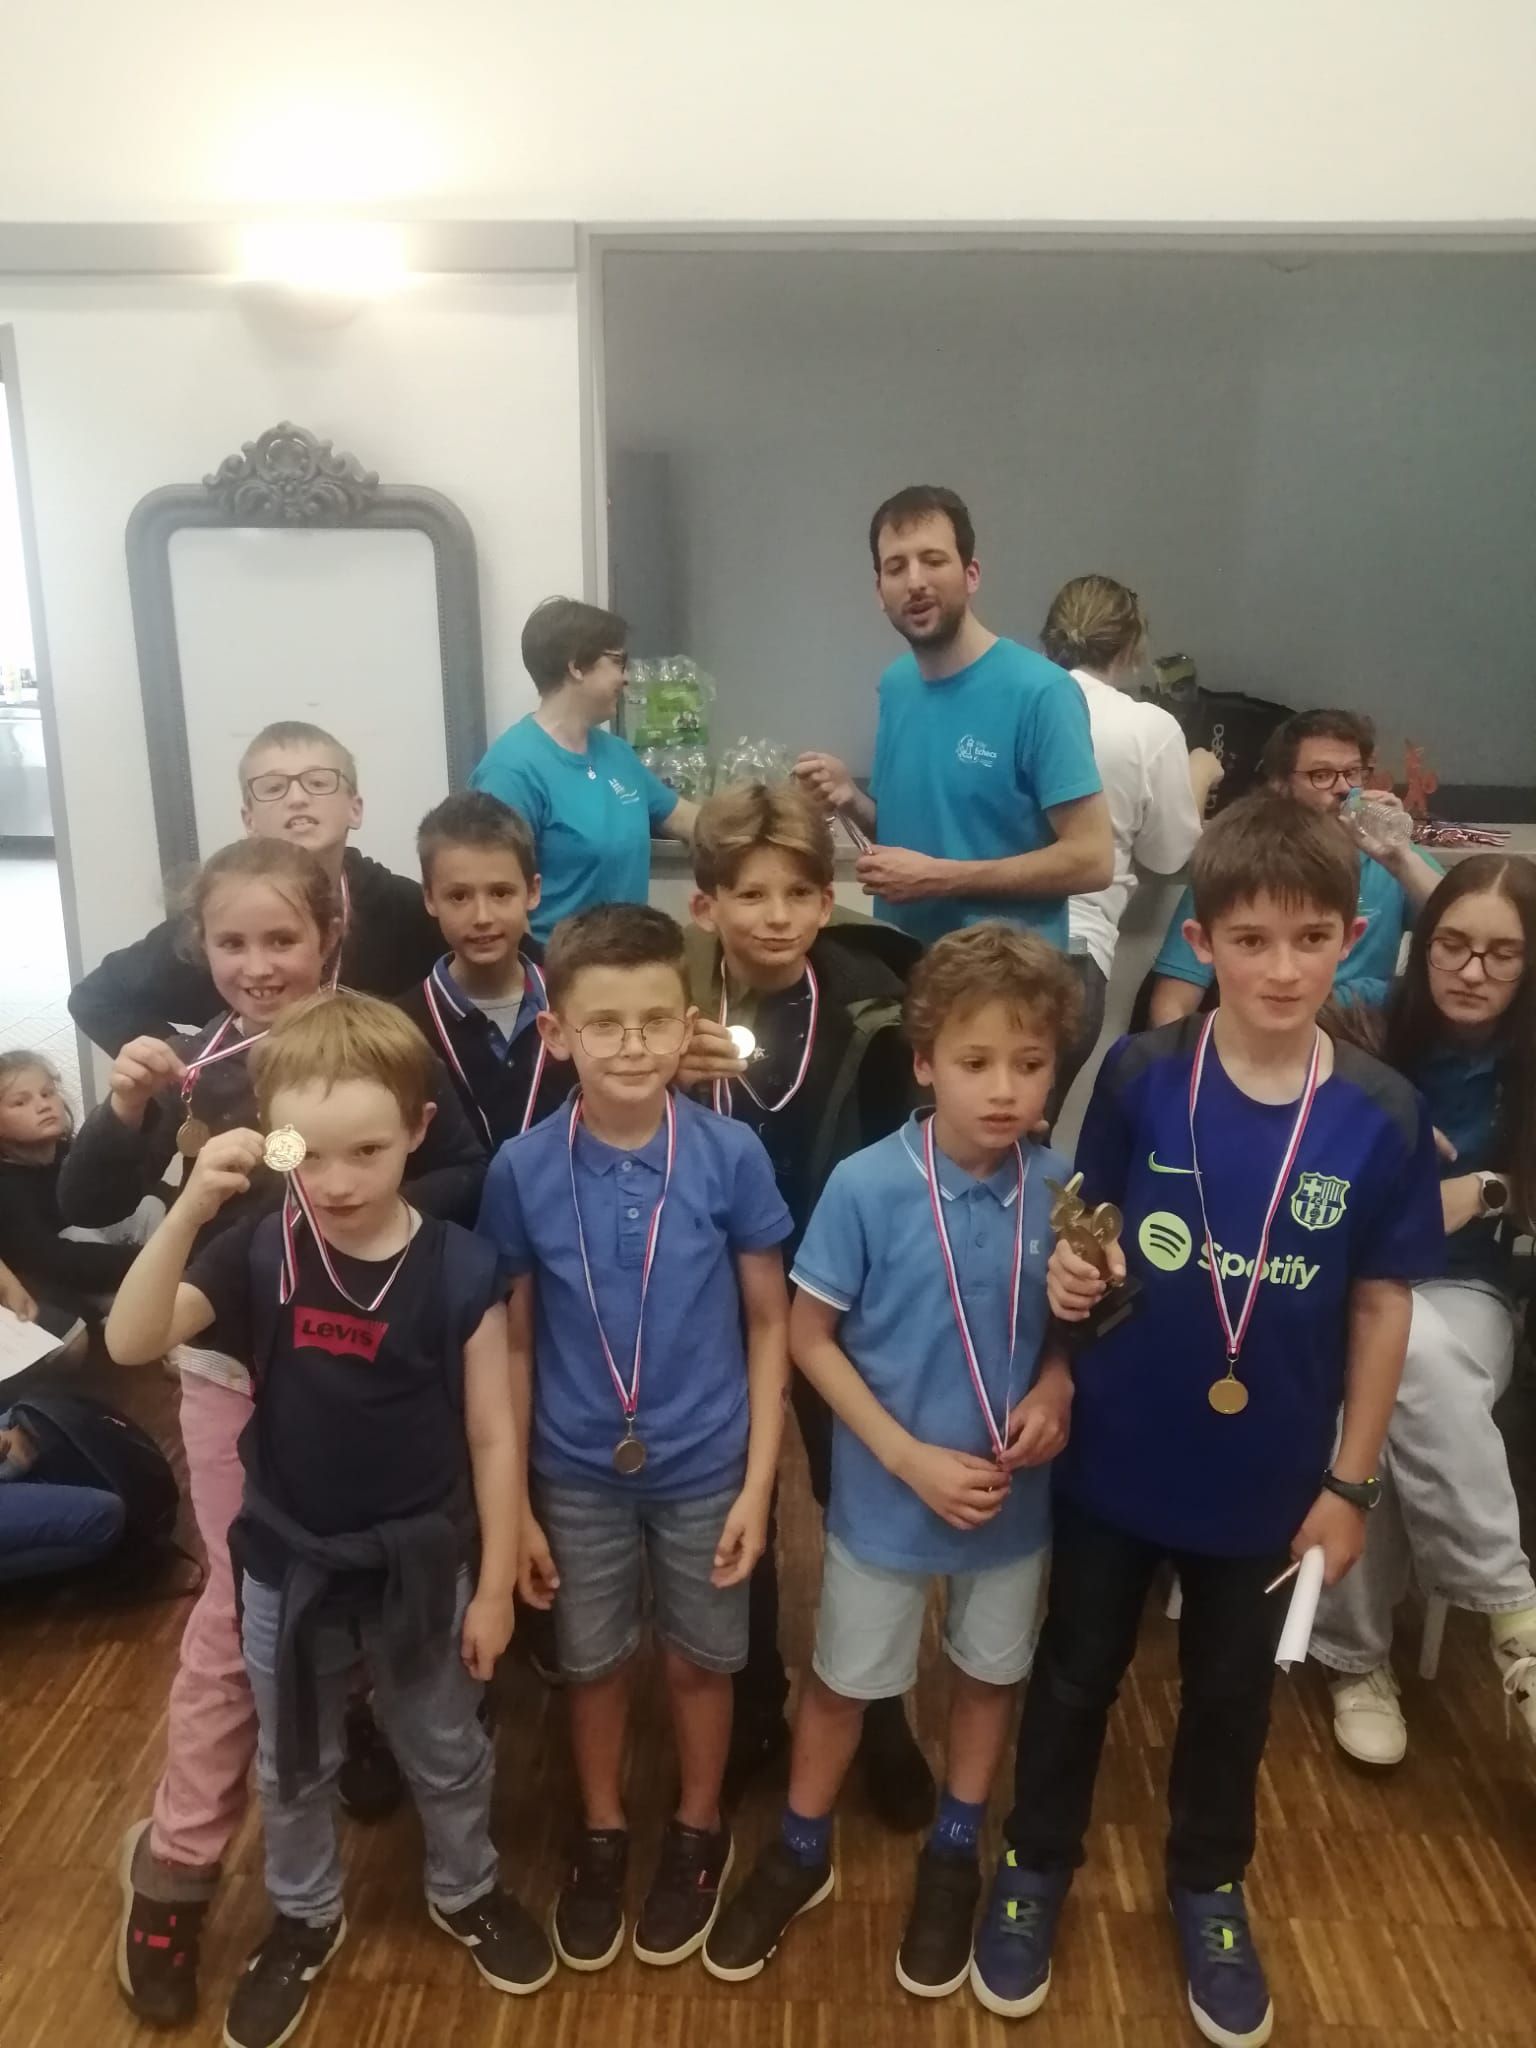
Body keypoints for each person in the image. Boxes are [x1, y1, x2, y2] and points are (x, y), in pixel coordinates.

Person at [967, 793, 1444, 2047]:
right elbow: (1088, 1233)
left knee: (1232, 1695)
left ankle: (1209, 1882)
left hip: (1271, 1475)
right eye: (1250, 939)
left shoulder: (1382, 1112)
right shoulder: (1141, 1075)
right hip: (1120, 1449)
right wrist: (1070, 1312)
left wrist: (1351, 1483)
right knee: (1077, 1669)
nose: (1280, 967)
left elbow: (1383, 1303)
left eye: (1309, 938)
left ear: (1351, 937)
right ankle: (1036, 1856)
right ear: (1202, 942)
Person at [59, 839, 486, 2032]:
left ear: (330, 933)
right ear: (200, 947)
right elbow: (85, 1202)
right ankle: (178, 1866)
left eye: (282, 938)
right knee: (236, 1607)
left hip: (367, 1358)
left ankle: (357, 1720)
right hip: (228, 1363)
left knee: (380, 1560)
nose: (258, 963)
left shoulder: (378, 1043)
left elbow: (463, 1170)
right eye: (232, 941)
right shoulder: (191, 1062)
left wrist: (344, 1202)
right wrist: (131, 1110)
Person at [104, 993, 553, 2048]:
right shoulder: (257, 1251)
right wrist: (190, 1209)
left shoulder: (461, 1267)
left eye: (369, 1151)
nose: (339, 1180)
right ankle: (304, 1914)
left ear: (417, 1131)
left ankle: (467, 1885)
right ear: (274, 1138)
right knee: (291, 1762)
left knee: (443, 1743)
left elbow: (495, 1436)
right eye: (311, 1153)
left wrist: (493, 1587)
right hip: (289, 1566)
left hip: (421, 1565)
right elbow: (130, 1341)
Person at [704, 924, 1078, 1997]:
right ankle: (801, 1848)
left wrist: (1057, 1384)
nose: (1002, 1088)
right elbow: (808, 1337)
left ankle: (955, 1849)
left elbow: (1072, 1329)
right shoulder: (867, 1186)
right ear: (923, 1063)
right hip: (888, 1493)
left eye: (1029, 1063)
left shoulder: (1063, 1186)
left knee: (989, 1676)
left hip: (1010, 1499)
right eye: (975, 1061)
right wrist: (907, 1458)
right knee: (842, 1683)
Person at [475, 904, 792, 1973]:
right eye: (603, 1023)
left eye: (656, 1020)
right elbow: (516, 1342)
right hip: (573, 1471)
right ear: (556, 1031)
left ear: (687, 1024)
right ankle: (603, 1832)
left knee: (703, 1661)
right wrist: (517, 1507)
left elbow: (769, 1323)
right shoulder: (520, 1168)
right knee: (593, 1663)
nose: (631, 1045)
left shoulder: (731, 1153)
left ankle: (698, 1827)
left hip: (708, 1466)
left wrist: (759, 1486)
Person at [675, 779, 931, 1822]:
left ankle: (877, 1708)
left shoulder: (878, 1000)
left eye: (797, 893)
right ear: (706, 905)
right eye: (750, 893)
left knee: (858, 1502)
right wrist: (667, 1079)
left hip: (845, 1298)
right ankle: (753, 1705)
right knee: (729, 1502)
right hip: (709, 1296)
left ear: (828, 901)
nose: (775, 916)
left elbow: (913, 1154)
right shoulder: (667, 1002)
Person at [1313, 856, 1536, 1764]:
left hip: (1469, 1290)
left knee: (1406, 1364)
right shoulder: (1365, 1018)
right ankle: (1515, 1616)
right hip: (1343, 1286)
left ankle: (1356, 1660)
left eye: (1501, 954)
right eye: (1452, 944)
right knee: (1391, 1363)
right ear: (1422, 942)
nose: (1472, 971)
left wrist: (1485, 1189)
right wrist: (1387, 1136)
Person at [795, 485, 1110, 950]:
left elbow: (1093, 860)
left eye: (933, 560)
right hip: (905, 966)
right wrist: (851, 799)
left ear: (971, 574)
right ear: (879, 591)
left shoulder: (1042, 692)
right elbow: (916, 838)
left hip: (1008, 977)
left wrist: (941, 879)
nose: (915, 582)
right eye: (896, 567)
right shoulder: (897, 686)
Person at [68, 720, 443, 1055]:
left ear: (354, 809)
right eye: (273, 788)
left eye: (318, 782)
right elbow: (96, 998)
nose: (297, 798)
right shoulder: (222, 915)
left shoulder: (406, 909)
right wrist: (184, 1067)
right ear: (250, 820)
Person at [1040, 575, 1222, 1103]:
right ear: (1130, 648)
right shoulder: (1147, 727)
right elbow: (1168, 855)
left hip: (981, 943)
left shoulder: (1007, 706)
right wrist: (1200, 772)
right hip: (1073, 952)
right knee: (1033, 1123)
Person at [1146, 709, 1442, 1027]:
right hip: (1265, 1034)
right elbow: (1172, 1004)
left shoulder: (1391, 858)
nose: (1345, 788)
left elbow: (1465, 920)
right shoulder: (1240, 860)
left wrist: (1401, 860)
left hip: (1363, 1036)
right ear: (1281, 785)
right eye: (1322, 775)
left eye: (1353, 772)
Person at [470, 598, 697, 943]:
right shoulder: (511, 770)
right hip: (559, 969)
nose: (626, 678)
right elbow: (496, 899)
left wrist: (773, 814)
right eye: (618, 662)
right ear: (576, 666)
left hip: (629, 961)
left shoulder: (616, 754)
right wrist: (537, 974)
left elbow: (687, 820)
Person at [395, 791, 570, 1146]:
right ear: (429, 898)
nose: (482, 917)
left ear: (533, 892)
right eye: (459, 896)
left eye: (501, 893)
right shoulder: (399, 1028)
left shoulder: (573, 1006)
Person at [0, 1049, 139, 1315]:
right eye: (20, 1102)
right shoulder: (6, 1189)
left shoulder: (70, 1152)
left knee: (148, 1204)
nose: (43, 1105)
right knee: (75, 1233)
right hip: (62, 1282)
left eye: (47, 1093)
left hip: (113, 1258)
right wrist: (145, 1258)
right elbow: (52, 1259)